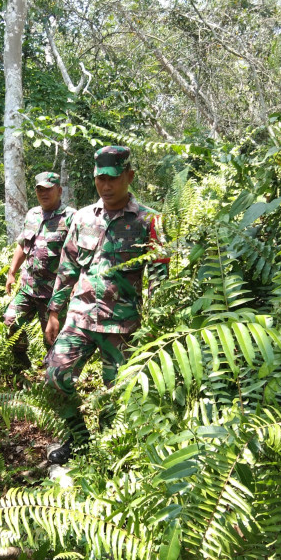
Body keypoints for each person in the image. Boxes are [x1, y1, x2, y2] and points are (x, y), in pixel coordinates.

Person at [43, 146, 168, 464]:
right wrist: (54, 312)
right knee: (56, 377)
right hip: (80, 319)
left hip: (122, 326)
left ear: (129, 176)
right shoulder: (82, 218)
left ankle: (109, 458)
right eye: (100, 178)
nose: (107, 186)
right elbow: (68, 266)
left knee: (118, 396)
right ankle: (80, 441)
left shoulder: (150, 221)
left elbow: (160, 276)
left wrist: (156, 324)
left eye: (113, 178)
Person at [3, 171, 76, 371]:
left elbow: (78, 256)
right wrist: (12, 272)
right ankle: (21, 362)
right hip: (28, 287)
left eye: (48, 189)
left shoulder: (71, 218)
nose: (43, 193)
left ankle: (52, 377)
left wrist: (76, 285)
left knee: (51, 339)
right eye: (39, 190)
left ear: (59, 191)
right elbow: (22, 243)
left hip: (53, 293)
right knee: (11, 321)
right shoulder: (33, 214)